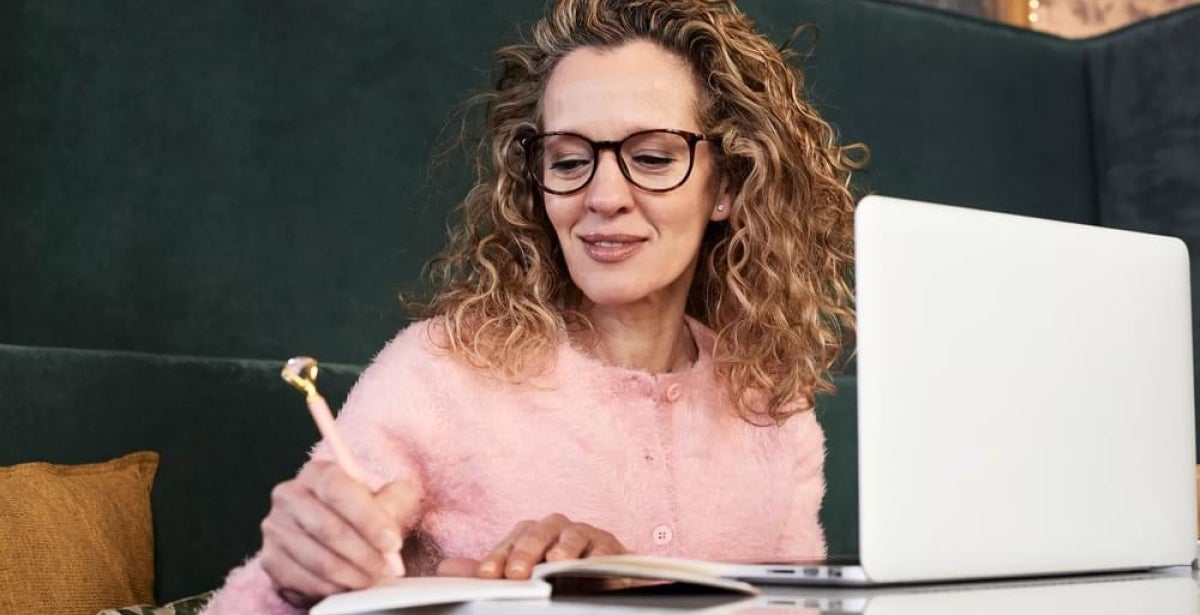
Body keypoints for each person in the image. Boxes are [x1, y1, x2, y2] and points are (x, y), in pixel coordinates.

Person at [201, 0, 861, 612]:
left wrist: (639, 593)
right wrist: (295, 576)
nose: (603, 196)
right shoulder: (439, 372)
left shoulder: (773, 408)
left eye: (653, 157)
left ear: (729, 186)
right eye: (570, 160)